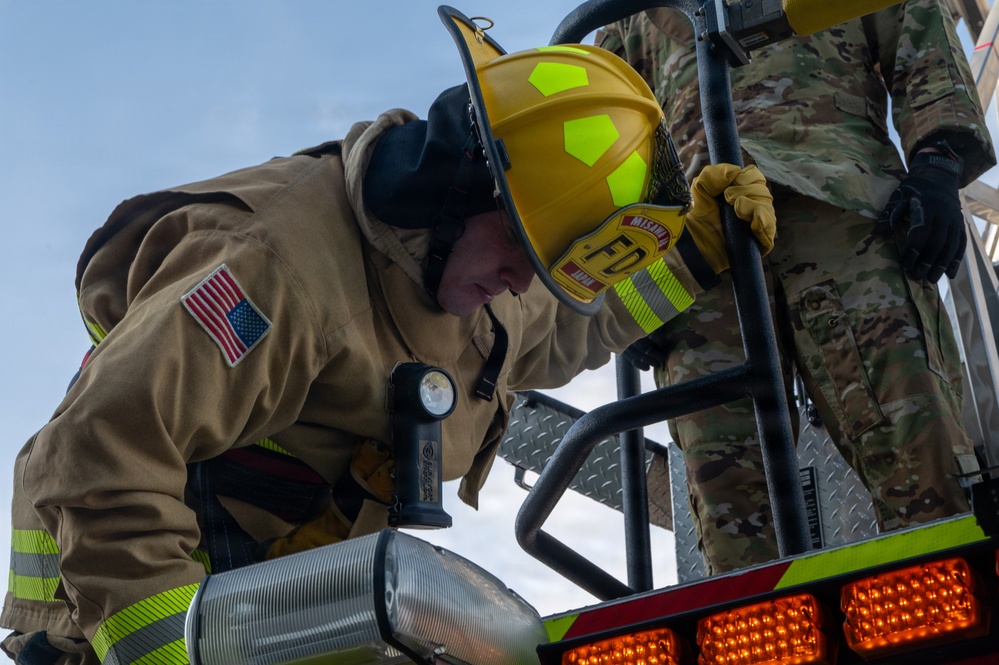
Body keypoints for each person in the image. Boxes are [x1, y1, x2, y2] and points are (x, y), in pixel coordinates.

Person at [0, 7, 777, 665]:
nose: (518, 284)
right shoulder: (272, 270)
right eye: (519, 258)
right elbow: (103, 451)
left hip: (278, 588)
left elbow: (552, 335)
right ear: (463, 191)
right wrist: (168, 650)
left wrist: (695, 255)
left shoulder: (474, 264)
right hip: (127, 600)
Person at [598, 0, 996, 575]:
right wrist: (620, 284)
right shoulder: (636, 12)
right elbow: (604, 133)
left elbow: (914, 25)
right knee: (725, 485)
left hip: (837, 205)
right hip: (698, 245)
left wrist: (937, 160)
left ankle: (948, 610)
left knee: (913, 444)